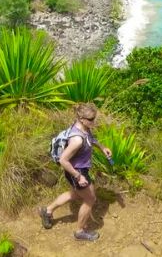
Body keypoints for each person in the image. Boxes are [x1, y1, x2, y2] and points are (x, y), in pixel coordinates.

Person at [39, 103, 112, 242]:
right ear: (81, 118)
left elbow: (90, 139)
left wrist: (102, 147)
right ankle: (80, 231)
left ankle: (47, 211)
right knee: (90, 199)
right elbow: (63, 160)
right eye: (91, 119)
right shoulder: (77, 140)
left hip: (80, 170)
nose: (93, 121)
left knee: (74, 194)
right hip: (76, 171)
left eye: (94, 118)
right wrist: (78, 177)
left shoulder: (84, 127)